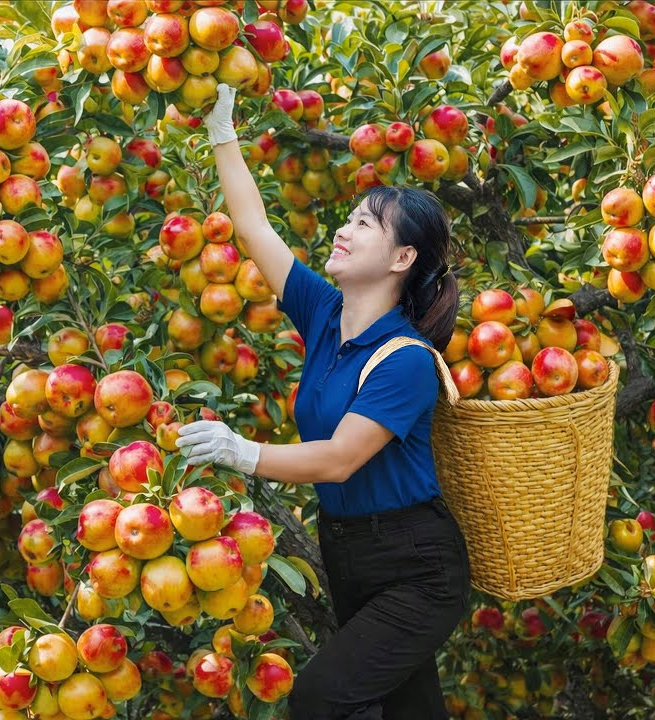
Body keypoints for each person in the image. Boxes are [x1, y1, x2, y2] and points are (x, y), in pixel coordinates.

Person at [174, 83, 472, 720]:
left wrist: (241, 451)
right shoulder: (323, 313)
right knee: (407, 710)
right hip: (350, 553)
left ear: (402, 257)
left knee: (321, 699)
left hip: (416, 565)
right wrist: (222, 129)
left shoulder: (407, 360)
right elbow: (253, 228)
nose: (343, 229)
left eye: (364, 223)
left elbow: (340, 459)